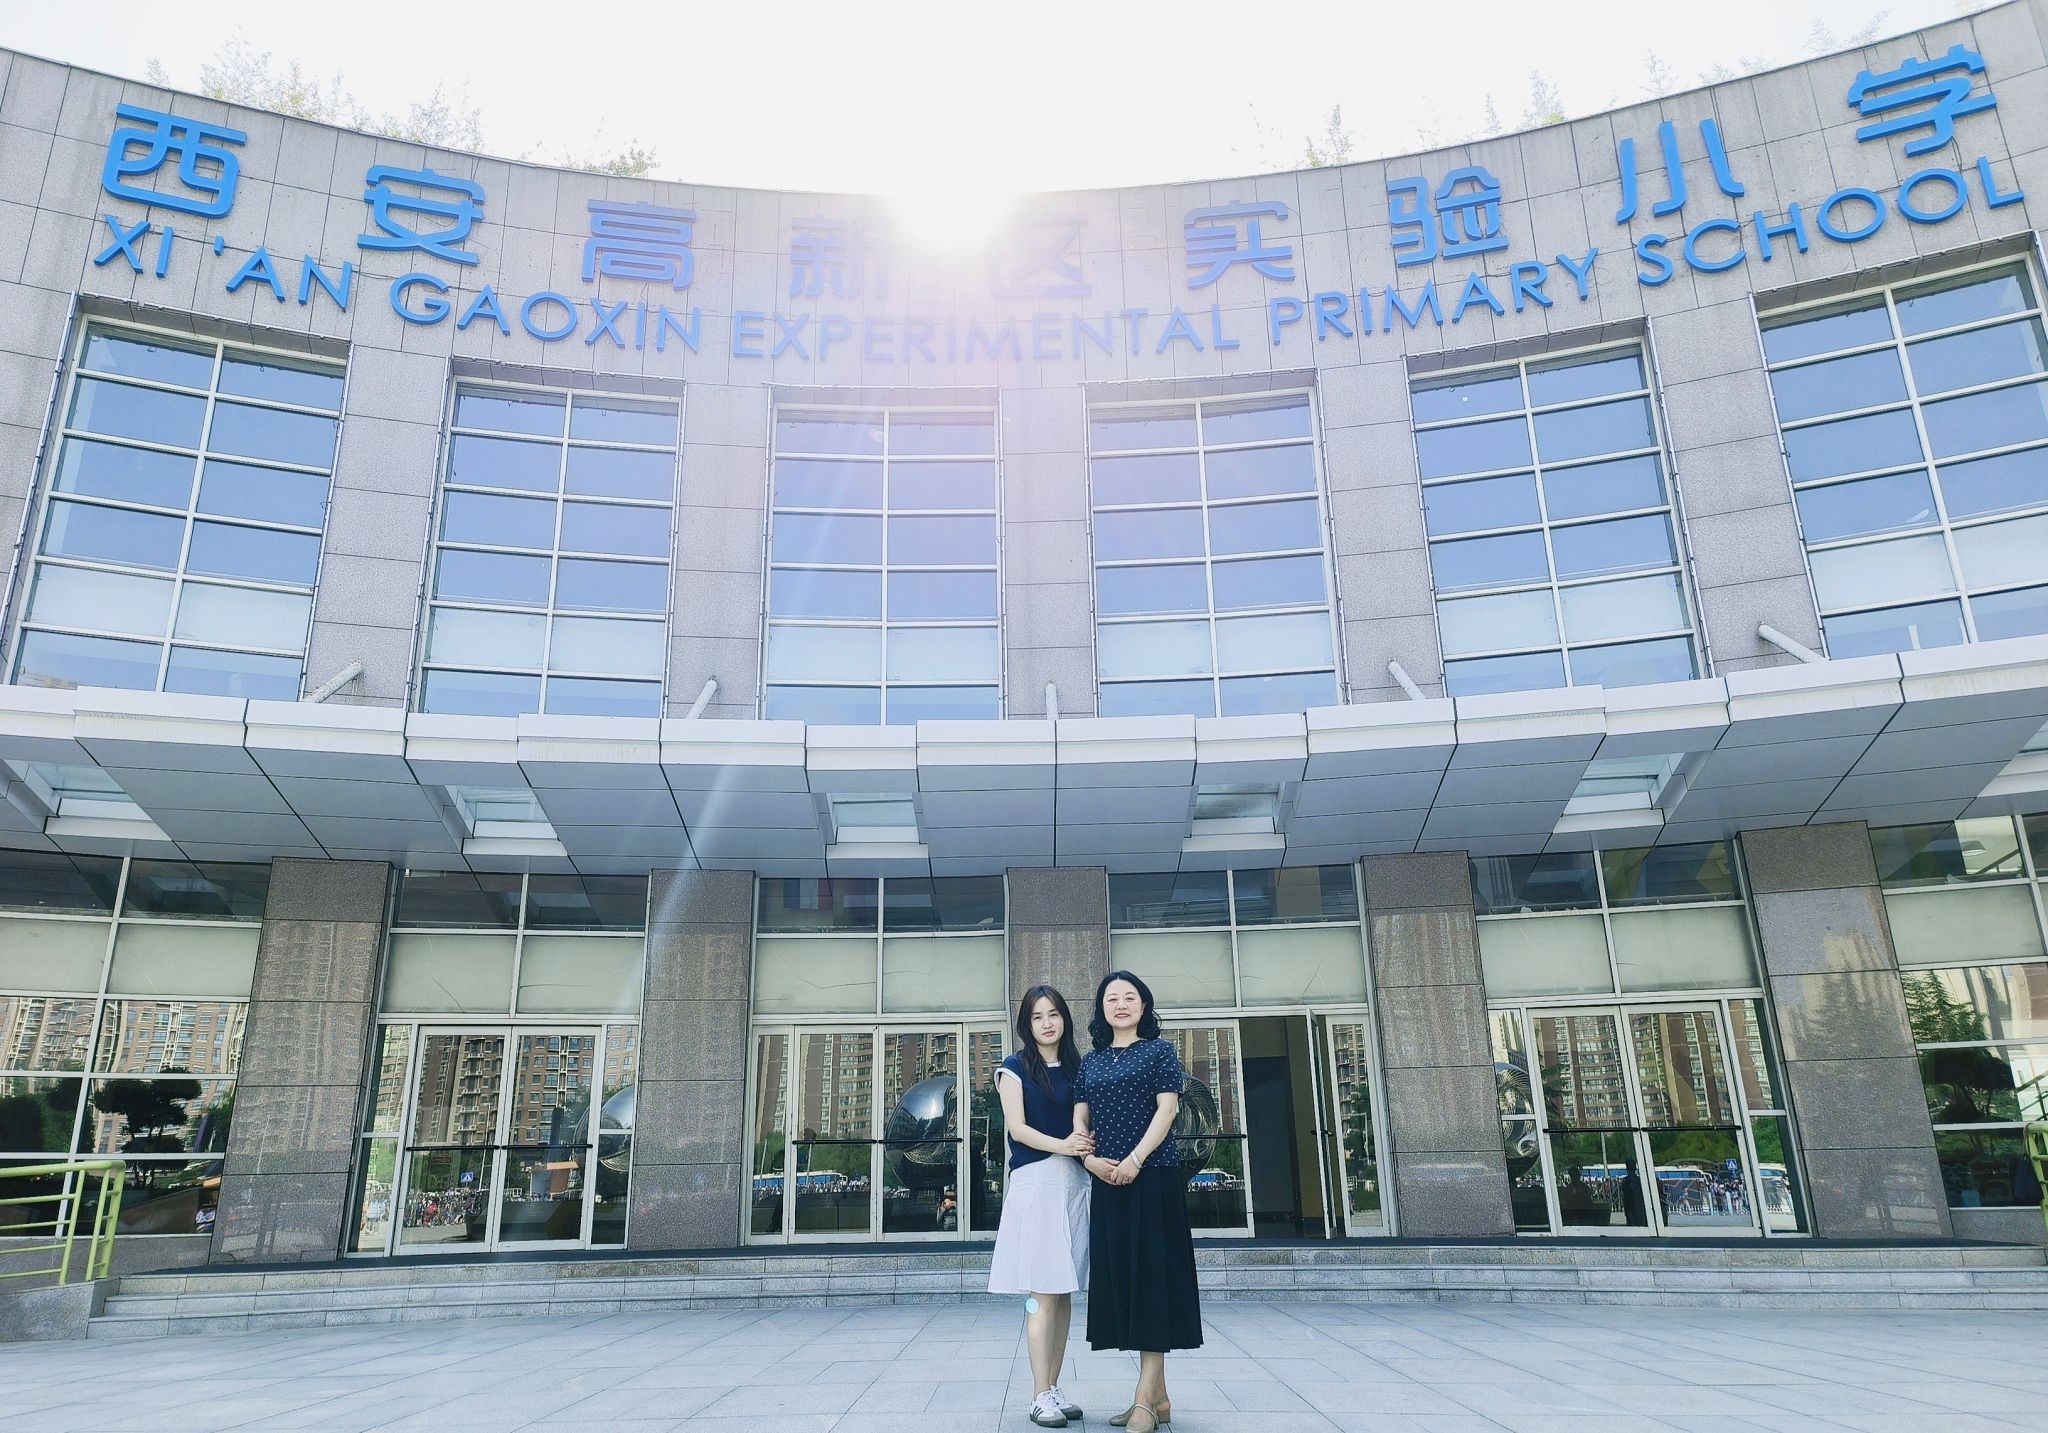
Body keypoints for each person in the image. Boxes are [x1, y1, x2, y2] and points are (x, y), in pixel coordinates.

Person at [1074, 971, 1202, 1433]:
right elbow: (1080, 1121)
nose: (1121, 1004)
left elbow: (1168, 1109)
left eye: (1130, 997)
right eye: (1112, 998)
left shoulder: (1159, 1051)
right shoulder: (1090, 1062)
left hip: (1154, 1177)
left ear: (1143, 1006)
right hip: (1108, 1180)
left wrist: (1135, 1159)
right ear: (1102, 1009)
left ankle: (1144, 1400)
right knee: (1126, 1282)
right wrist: (1089, 1161)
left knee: (1153, 1281)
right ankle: (1159, 1397)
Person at [987, 985, 1094, 1429]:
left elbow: (1086, 1123)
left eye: (1053, 1014)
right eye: (1037, 1016)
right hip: (1037, 1185)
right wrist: (1064, 1145)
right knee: (1042, 1294)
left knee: (1064, 1291)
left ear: (1064, 1019)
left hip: (1075, 1184)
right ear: (1026, 1025)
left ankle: (1052, 1386)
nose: (1047, 1023)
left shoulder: (1078, 1067)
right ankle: (1037, 1395)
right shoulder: (1013, 1068)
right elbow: (1018, 1128)